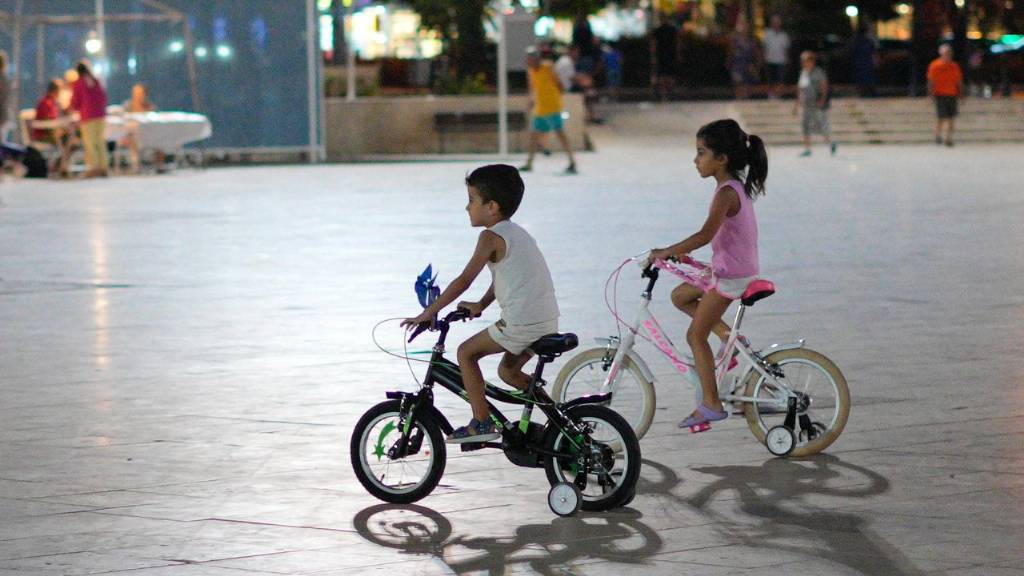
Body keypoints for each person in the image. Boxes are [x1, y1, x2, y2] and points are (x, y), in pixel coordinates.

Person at [401, 165, 560, 443]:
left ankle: (482, 422)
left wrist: (428, 313)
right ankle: (560, 420)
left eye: (472, 200)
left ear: (492, 207)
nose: (467, 207)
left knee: (465, 354)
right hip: (545, 320)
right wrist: (482, 304)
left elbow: (463, 280)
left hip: (520, 324)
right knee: (508, 372)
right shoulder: (517, 233)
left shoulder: (490, 237)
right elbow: (506, 277)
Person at [649, 119, 767, 430]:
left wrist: (665, 252)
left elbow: (704, 235)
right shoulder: (733, 188)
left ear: (722, 159)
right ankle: (729, 337)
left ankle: (711, 404)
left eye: (701, 153)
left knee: (694, 336)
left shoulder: (726, 193)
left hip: (732, 276)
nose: (695, 160)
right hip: (732, 268)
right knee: (680, 296)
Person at [520, 48, 577, 174]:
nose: (529, 61)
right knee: (534, 136)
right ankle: (529, 163)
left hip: (552, 107)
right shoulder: (531, 71)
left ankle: (572, 161)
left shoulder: (548, 67)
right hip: (541, 108)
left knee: (560, 134)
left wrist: (558, 97)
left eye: (531, 58)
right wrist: (530, 104)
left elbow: (559, 83)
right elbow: (532, 89)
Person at [70, 60, 109, 177]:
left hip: (87, 116)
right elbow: (103, 97)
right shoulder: (96, 81)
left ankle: (93, 167)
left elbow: (75, 102)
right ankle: (103, 167)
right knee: (100, 142)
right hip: (100, 115)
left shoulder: (78, 83)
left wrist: (72, 107)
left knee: (90, 143)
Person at [794, 51, 836, 156]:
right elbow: (800, 89)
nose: (804, 63)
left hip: (816, 103)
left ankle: (830, 143)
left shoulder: (819, 72)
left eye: (806, 60)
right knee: (805, 125)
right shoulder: (803, 73)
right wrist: (797, 104)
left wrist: (822, 99)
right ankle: (807, 149)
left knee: (820, 126)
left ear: (812, 61)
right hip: (806, 104)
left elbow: (824, 86)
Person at [32, 80, 75, 175]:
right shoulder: (45, 102)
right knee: (68, 138)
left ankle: (61, 166)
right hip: (44, 135)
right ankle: (61, 167)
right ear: (55, 91)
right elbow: (49, 122)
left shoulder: (53, 103)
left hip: (51, 133)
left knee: (71, 138)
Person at [927, 44, 963, 147]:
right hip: (940, 94)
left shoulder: (954, 66)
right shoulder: (935, 65)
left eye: (949, 53)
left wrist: (961, 94)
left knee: (951, 118)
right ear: (941, 54)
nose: (948, 55)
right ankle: (937, 135)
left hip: (952, 94)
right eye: (946, 53)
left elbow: (959, 81)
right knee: (941, 117)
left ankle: (949, 138)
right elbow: (931, 81)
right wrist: (930, 95)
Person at [727, 18, 760, 100]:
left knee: (746, 85)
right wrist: (728, 61)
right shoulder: (734, 39)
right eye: (742, 26)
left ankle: (745, 100)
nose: (744, 28)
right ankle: (738, 99)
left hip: (748, 65)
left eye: (745, 27)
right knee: (737, 83)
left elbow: (756, 53)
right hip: (737, 65)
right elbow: (730, 51)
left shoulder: (751, 40)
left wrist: (757, 66)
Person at [650, 14, 680, 101]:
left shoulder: (659, 30)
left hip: (664, 55)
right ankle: (667, 93)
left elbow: (653, 44)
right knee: (667, 75)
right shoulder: (670, 30)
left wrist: (653, 55)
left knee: (664, 75)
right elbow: (654, 44)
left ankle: (665, 94)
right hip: (667, 55)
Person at [762, 15, 790, 99]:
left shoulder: (784, 35)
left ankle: (778, 95)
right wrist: (763, 59)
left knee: (780, 80)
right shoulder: (767, 34)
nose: (776, 24)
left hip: (781, 61)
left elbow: (786, 49)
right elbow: (763, 48)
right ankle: (771, 95)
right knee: (770, 80)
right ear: (771, 24)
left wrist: (787, 60)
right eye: (774, 22)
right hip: (769, 60)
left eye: (777, 22)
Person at [851, 22, 879, 98]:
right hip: (866, 63)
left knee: (860, 79)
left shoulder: (855, 41)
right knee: (868, 78)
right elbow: (873, 53)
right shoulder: (868, 41)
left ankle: (862, 93)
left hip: (859, 63)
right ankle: (869, 92)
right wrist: (875, 62)